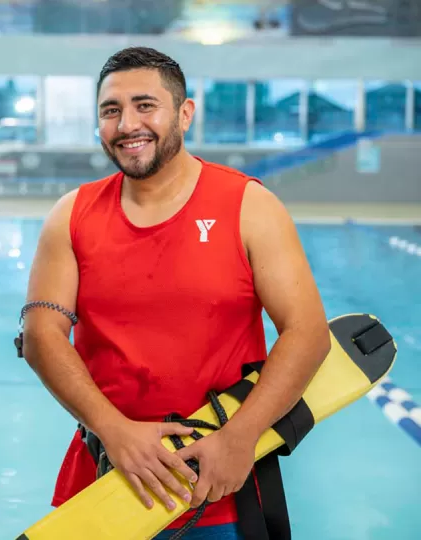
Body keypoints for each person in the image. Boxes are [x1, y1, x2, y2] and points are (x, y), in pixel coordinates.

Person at [21, 47, 331, 539]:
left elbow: (308, 333)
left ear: (184, 113)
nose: (127, 124)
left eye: (145, 106)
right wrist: (115, 431)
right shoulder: (72, 214)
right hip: (102, 481)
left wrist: (240, 439)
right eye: (110, 110)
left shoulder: (248, 206)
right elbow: (41, 336)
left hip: (216, 487)